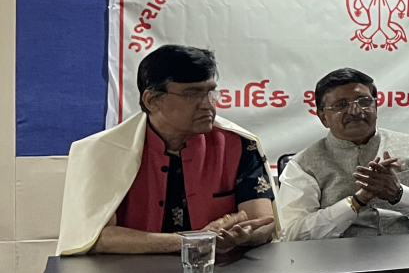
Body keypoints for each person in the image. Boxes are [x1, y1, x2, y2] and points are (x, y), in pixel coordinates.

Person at [58, 44, 277, 255]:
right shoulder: (103, 151)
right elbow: (96, 237)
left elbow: (264, 222)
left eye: (211, 93)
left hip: (218, 272)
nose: (207, 105)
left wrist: (245, 234)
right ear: (152, 100)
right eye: (192, 94)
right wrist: (193, 240)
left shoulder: (238, 144)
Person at [278, 67, 409, 239]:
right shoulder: (304, 164)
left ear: (376, 107)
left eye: (364, 102)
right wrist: (356, 202)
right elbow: (293, 234)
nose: (355, 111)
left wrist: (398, 194)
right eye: (341, 104)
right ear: (323, 117)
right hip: (337, 257)